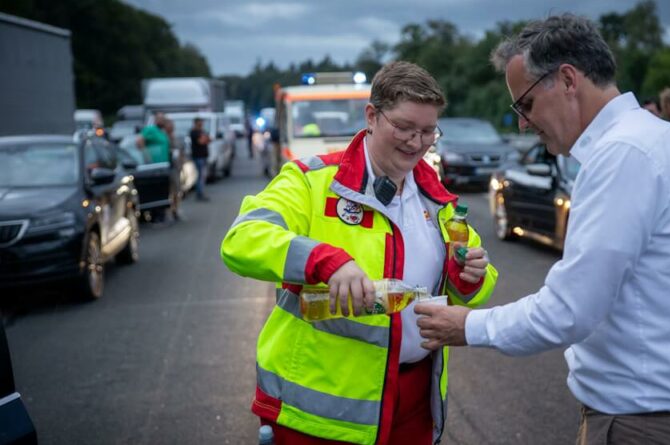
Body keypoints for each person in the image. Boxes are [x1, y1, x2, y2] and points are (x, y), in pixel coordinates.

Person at [415, 14, 670, 445]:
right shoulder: (664, 139)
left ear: (567, 79)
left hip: (644, 424)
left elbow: (570, 309)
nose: (522, 124)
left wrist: (468, 326)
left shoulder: (622, 155)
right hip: (669, 417)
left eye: (525, 104)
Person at [220, 61, 497, 445]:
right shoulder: (312, 181)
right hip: (316, 418)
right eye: (403, 127)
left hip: (414, 405)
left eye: (428, 131)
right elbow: (242, 239)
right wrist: (324, 260)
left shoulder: (440, 202)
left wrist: (470, 276)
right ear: (371, 116)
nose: (416, 143)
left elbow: (476, 284)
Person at [163, 118, 183, 220]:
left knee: (176, 190)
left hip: (175, 168)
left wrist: (181, 164)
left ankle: (175, 209)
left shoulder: (176, 138)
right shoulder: (163, 138)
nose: (171, 127)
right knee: (168, 190)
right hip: (166, 168)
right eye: (168, 125)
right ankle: (169, 209)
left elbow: (180, 152)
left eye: (172, 125)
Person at [189, 118, 210, 201]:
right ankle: (199, 194)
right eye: (200, 122)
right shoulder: (194, 132)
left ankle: (200, 193)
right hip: (198, 156)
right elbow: (201, 141)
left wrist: (205, 138)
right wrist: (205, 139)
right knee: (200, 176)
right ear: (196, 123)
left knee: (202, 175)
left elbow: (208, 139)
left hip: (203, 156)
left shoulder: (201, 131)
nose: (201, 123)